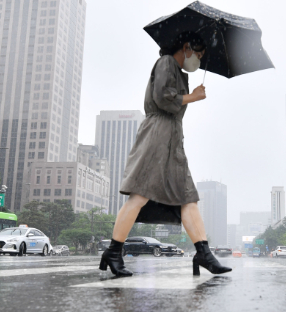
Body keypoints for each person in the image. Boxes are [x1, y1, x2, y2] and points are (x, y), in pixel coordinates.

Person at [99, 32, 232, 278]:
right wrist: (193, 97)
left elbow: (174, 104)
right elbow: (162, 97)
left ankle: (203, 253)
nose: (199, 60)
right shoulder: (166, 63)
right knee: (139, 195)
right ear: (186, 47)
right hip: (157, 134)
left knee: (187, 197)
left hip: (173, 138)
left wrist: (190, 96)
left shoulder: (180, 73)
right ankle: (113, 252)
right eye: (198, 54)